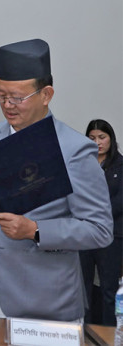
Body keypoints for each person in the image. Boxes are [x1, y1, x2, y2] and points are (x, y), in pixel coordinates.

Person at [0, 39, 113, 321]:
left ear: (46, 94)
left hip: (43, 301)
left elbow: (99, 229)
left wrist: (35, 230)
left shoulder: (74, 149)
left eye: (17, 97)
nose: (7, 105)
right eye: (1, 95)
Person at [80, 119, 123, 326]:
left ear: (110, 139)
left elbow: (120, 201)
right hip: (84, 232)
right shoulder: (81, 164)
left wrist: (97, 215)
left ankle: (108, 332)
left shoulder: (121, 165)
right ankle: (85, 332)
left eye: (102, 137)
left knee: (108, 287)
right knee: (83, 287)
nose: (97, 142)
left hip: (112, 234)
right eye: (92, 138)